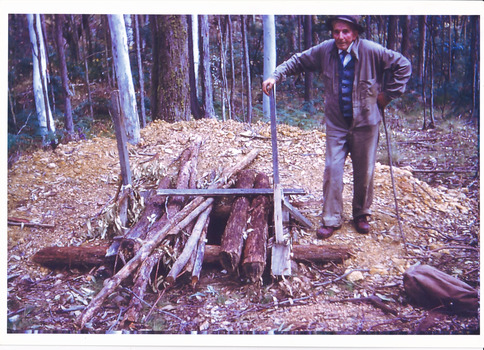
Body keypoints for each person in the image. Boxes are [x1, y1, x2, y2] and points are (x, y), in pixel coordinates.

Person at [262, 15, 411, 239]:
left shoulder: (371, 50)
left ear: (355, 33)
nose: (340, 37)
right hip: (337, 123)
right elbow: (298, 61)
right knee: (332, 170)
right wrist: (275, 76)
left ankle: (361, 213)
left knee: (365, 172)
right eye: (336, 32)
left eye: (345, 32)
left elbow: (403, 65)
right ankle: (331, 218)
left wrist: (387, 95)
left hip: (366, 122)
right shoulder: (325, 51)